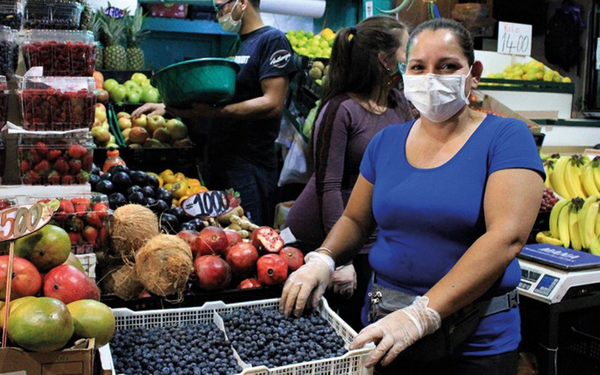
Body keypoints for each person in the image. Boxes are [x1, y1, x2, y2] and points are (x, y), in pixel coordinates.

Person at [280, 18, 544, 375]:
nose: (431, 77)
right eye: (419, 67)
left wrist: (423, 314)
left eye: (448, 66)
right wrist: (324, 259)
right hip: (383, 321)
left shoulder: (506, 137)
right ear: (404, 73)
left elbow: (506, 238)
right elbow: (356, 219)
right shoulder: (387, 142)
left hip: (474, 340)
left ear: (473, 72)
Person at [284, 16, 412, 332]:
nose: (409, 61)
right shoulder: (341, 109)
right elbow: (328, 186)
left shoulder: (399, 105)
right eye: (405, 51)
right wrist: (338, 258)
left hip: (372, 238)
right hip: (326, 234)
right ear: (385, 60)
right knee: (329, 331)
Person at [132, 0, 297, 226]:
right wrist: (167, 108)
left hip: (250, 165)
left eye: (221, 6)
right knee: (222, 232)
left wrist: (216, 113)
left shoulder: (272, 40)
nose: (218, 13)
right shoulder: (238, 44)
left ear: (242, 3)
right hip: (223, 159)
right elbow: (220, 97)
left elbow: (272, 103)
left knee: (247, 232)